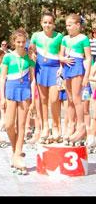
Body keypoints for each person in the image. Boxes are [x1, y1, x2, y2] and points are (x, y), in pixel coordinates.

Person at [0, 28, 35, 175]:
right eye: (18, 42)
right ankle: (15, 149)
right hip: (10, 90)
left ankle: (19, 153)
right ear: (13, 42)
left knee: (21, 125)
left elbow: (33, 80)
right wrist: (2, 97)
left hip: (25, 91)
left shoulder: (29, 59)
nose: (21, 44)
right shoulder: (7, 57)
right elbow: (2, 78)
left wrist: (33, 99)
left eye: (23, 42)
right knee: (8, 124)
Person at [29, 11, 64, 144]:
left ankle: (56, 127)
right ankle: (45, 127)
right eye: (45, 22)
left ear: (54, 24)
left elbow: (62, 52)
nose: (47, 25)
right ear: (41, 23)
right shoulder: (36, 35)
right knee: (43, 100)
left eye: (50, 22)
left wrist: (61, 67)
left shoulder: (59, 36)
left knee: (54, 99)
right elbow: (31, 50)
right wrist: (32, 54)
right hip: (41, 69)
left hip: (55, 69)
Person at [59, 14, 91, 146]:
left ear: (78, 25)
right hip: (67, 67)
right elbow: (60, 55)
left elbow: (88, 58)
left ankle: (81, 126)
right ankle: (71, 125)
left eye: (70, 25)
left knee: (77, 98)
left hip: (77, 66)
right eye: (66, 25)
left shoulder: (83, 38)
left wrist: (86, 75)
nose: (68, 27)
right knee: (69, 99)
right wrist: (62, 59)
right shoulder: (65, 38)